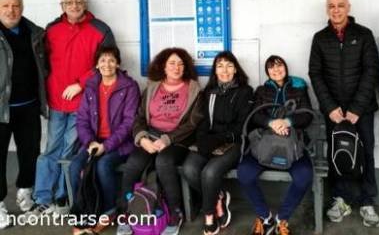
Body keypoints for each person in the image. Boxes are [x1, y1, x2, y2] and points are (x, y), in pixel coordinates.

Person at [26, 0, 115, 218]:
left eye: (78, 1)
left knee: (69, 149)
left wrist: (81, 83)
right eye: (69, 2)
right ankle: (42, 197)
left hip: (83, 104)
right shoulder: (52, 29)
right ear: (62, 5)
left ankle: (62, 197)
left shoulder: (100, 29)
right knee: (50, 149)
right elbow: (40, 62)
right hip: (56, 102)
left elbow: (109, 61)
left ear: (85, 3)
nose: (74, 6)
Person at [308, 0, 379, 227]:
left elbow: (371, 71)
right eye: (331, 6)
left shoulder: (364, 35)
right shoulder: (320, 38)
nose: (336, 10)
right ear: (327, 9)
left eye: (340, 5)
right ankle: (341, 198)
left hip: (362, 111)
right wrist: (330, 108)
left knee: (365, 152)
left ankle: (367, 200)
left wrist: (357, 108)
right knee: (337, 154)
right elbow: (315, 74)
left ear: (348, 7)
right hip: (334, 113)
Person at [116, 47, 202, 235]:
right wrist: (142, 138)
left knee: (164, 161)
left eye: (181, 64)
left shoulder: (193, 89)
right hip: (150, 137)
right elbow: (138, 118)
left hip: (179, 140)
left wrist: (167, 139)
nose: (176, 67)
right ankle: (125, 212)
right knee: (134, 163)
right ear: (163, 66)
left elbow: (192, 124)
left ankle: (175, 213)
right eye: (172, 63)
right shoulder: (152, 87)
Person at [238, 55, 314, 235]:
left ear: (285, 68)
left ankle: (282, 218)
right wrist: (272, 123)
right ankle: (265, 218)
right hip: (265, 145)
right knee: (244, 173)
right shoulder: (262, 90)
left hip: (292, 145)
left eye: (279, 65)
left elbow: (307, 115)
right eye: (271, 67)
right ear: (267, 72)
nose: (276, 70)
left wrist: (287, 122)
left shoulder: (298, 88)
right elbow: (255, 115)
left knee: (304, 176)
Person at [69, 45, 140, 234]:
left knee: (103, 165)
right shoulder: (91, 86)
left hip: (121, 142)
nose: (107, 64)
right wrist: (90, 142)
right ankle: (84, 212)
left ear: (118, 63)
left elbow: (129, 122)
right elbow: (82, 119)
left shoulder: (129, 86)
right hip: (93, 141)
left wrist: (106, 146)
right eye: (102, 60)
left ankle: (108, 211)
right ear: (97, 65)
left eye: (111, 60)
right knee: (74, 166)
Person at [182, 51, 253, 235]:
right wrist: (203, 139)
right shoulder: (209, 92)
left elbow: (241, 126)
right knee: (190, 168)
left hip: (233, 142)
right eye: (220, 66)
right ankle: (218, 197)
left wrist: (218, 139)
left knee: (209, 172)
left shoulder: (245, 92)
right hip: (209, 141)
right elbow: (203, 121)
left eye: (229, 65)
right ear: (215, 70)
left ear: (236, 69)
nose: (225, 70)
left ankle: (210, 215)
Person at [0, 0, 47, 228]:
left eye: (16, 5)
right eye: (6, 6)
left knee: (30, 153)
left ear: (22, 7)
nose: (11, 10)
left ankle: (25, 192)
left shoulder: (35, 33)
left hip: (28, 106)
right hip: (1, 109)